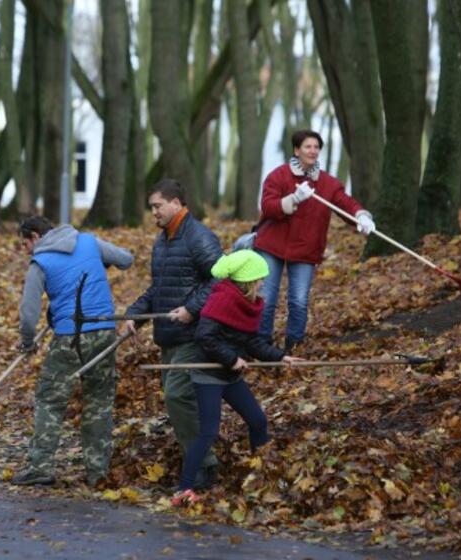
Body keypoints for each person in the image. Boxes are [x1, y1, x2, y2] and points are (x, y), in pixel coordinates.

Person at [171, 250, 303, 506]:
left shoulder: (248, 304)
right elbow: (204, 337)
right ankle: (184, 488)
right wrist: (231, 359)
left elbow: (251, 340)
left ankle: (263, 476)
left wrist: (279, 357)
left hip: (229, 376)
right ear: (247, 281)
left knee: (257, 420)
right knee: (208, 432)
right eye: (260, 279)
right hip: (209, 374)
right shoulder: (221, 300)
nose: (263, 283)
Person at [12, 215, 133, 487]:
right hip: (104, 332)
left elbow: (28, 313)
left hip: (69, 337)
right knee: (99, 401)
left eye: (24, 244)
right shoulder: (88, 242)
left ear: (35, 236)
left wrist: (27, 341)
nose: (25, 250)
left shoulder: (40, 263)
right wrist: (100, 260)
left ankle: (41, 467)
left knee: (51, 400)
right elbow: (126, 259)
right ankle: (97, 472)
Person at [121, 178, 224, 489]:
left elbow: (220, 281)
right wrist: (135, 316)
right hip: (168, 335)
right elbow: (158, 289)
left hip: (194, 334)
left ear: (176, 204)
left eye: (157, 206)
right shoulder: (162, 240)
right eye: (152, 208)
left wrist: (192, 308)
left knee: (178, 396)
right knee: (177, 401)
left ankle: (204, 466)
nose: (153, 213)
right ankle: (197, 465)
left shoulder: (199, 237)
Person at [253, 129, 376, 353]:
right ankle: (262, 345)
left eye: (316, 147)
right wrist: (290, 199)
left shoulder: (327, 183)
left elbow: (344, 203)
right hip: (272, 246)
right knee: (267, 299)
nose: (313, 151)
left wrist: (360, 216)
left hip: (306, 248)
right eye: (308, 147)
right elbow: (268, 207)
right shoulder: (279, 176)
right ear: (297, 150)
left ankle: (294, 346)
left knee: (298, 301)